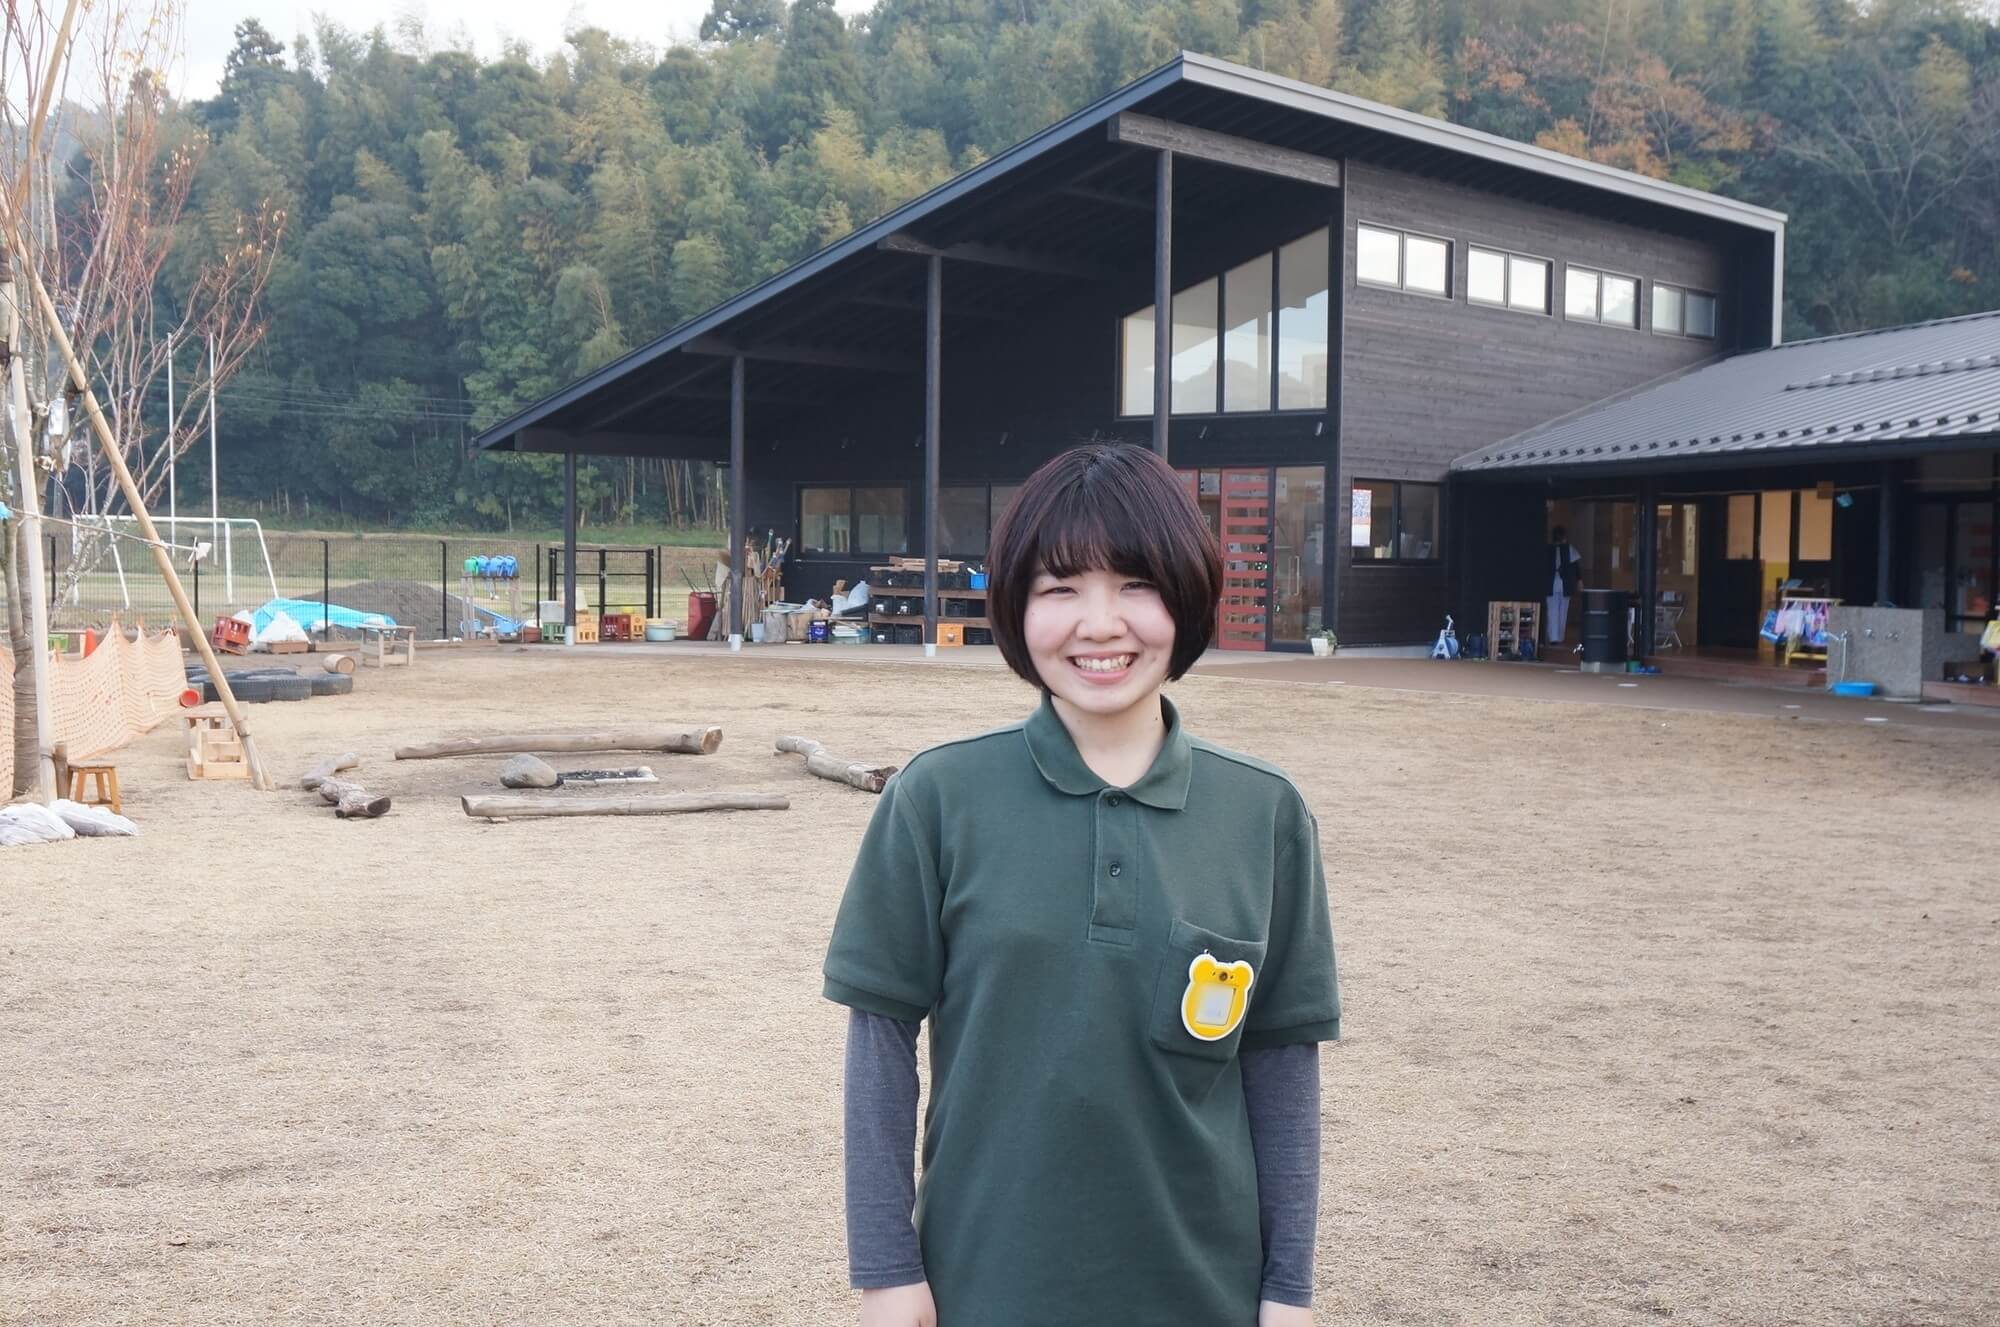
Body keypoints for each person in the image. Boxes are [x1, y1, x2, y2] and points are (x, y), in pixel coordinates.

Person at [823, 443, 1340, 1327]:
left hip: (1203, 1293)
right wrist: (886, 1269)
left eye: (1136, 583)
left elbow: (1282, 1066)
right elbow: (880, 1040)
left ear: (1187, 596)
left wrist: (1288, 1287)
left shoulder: (1264, 814)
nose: (1100, 624)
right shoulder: (938, 798)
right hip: (984, 1284)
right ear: (1016, 608)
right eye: (1060, 587)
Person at [1546, 525, 1582, 648]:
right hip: (1561, 583)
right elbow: (1576, 567)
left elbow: (1576, 567)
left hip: (1556, 583)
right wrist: (1579, 580)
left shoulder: (1549, 549)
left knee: (1554, 611)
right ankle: (1557, 637)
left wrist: (1579, 580)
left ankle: (1555, 637)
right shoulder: (1567, 549)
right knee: (1560, 611)